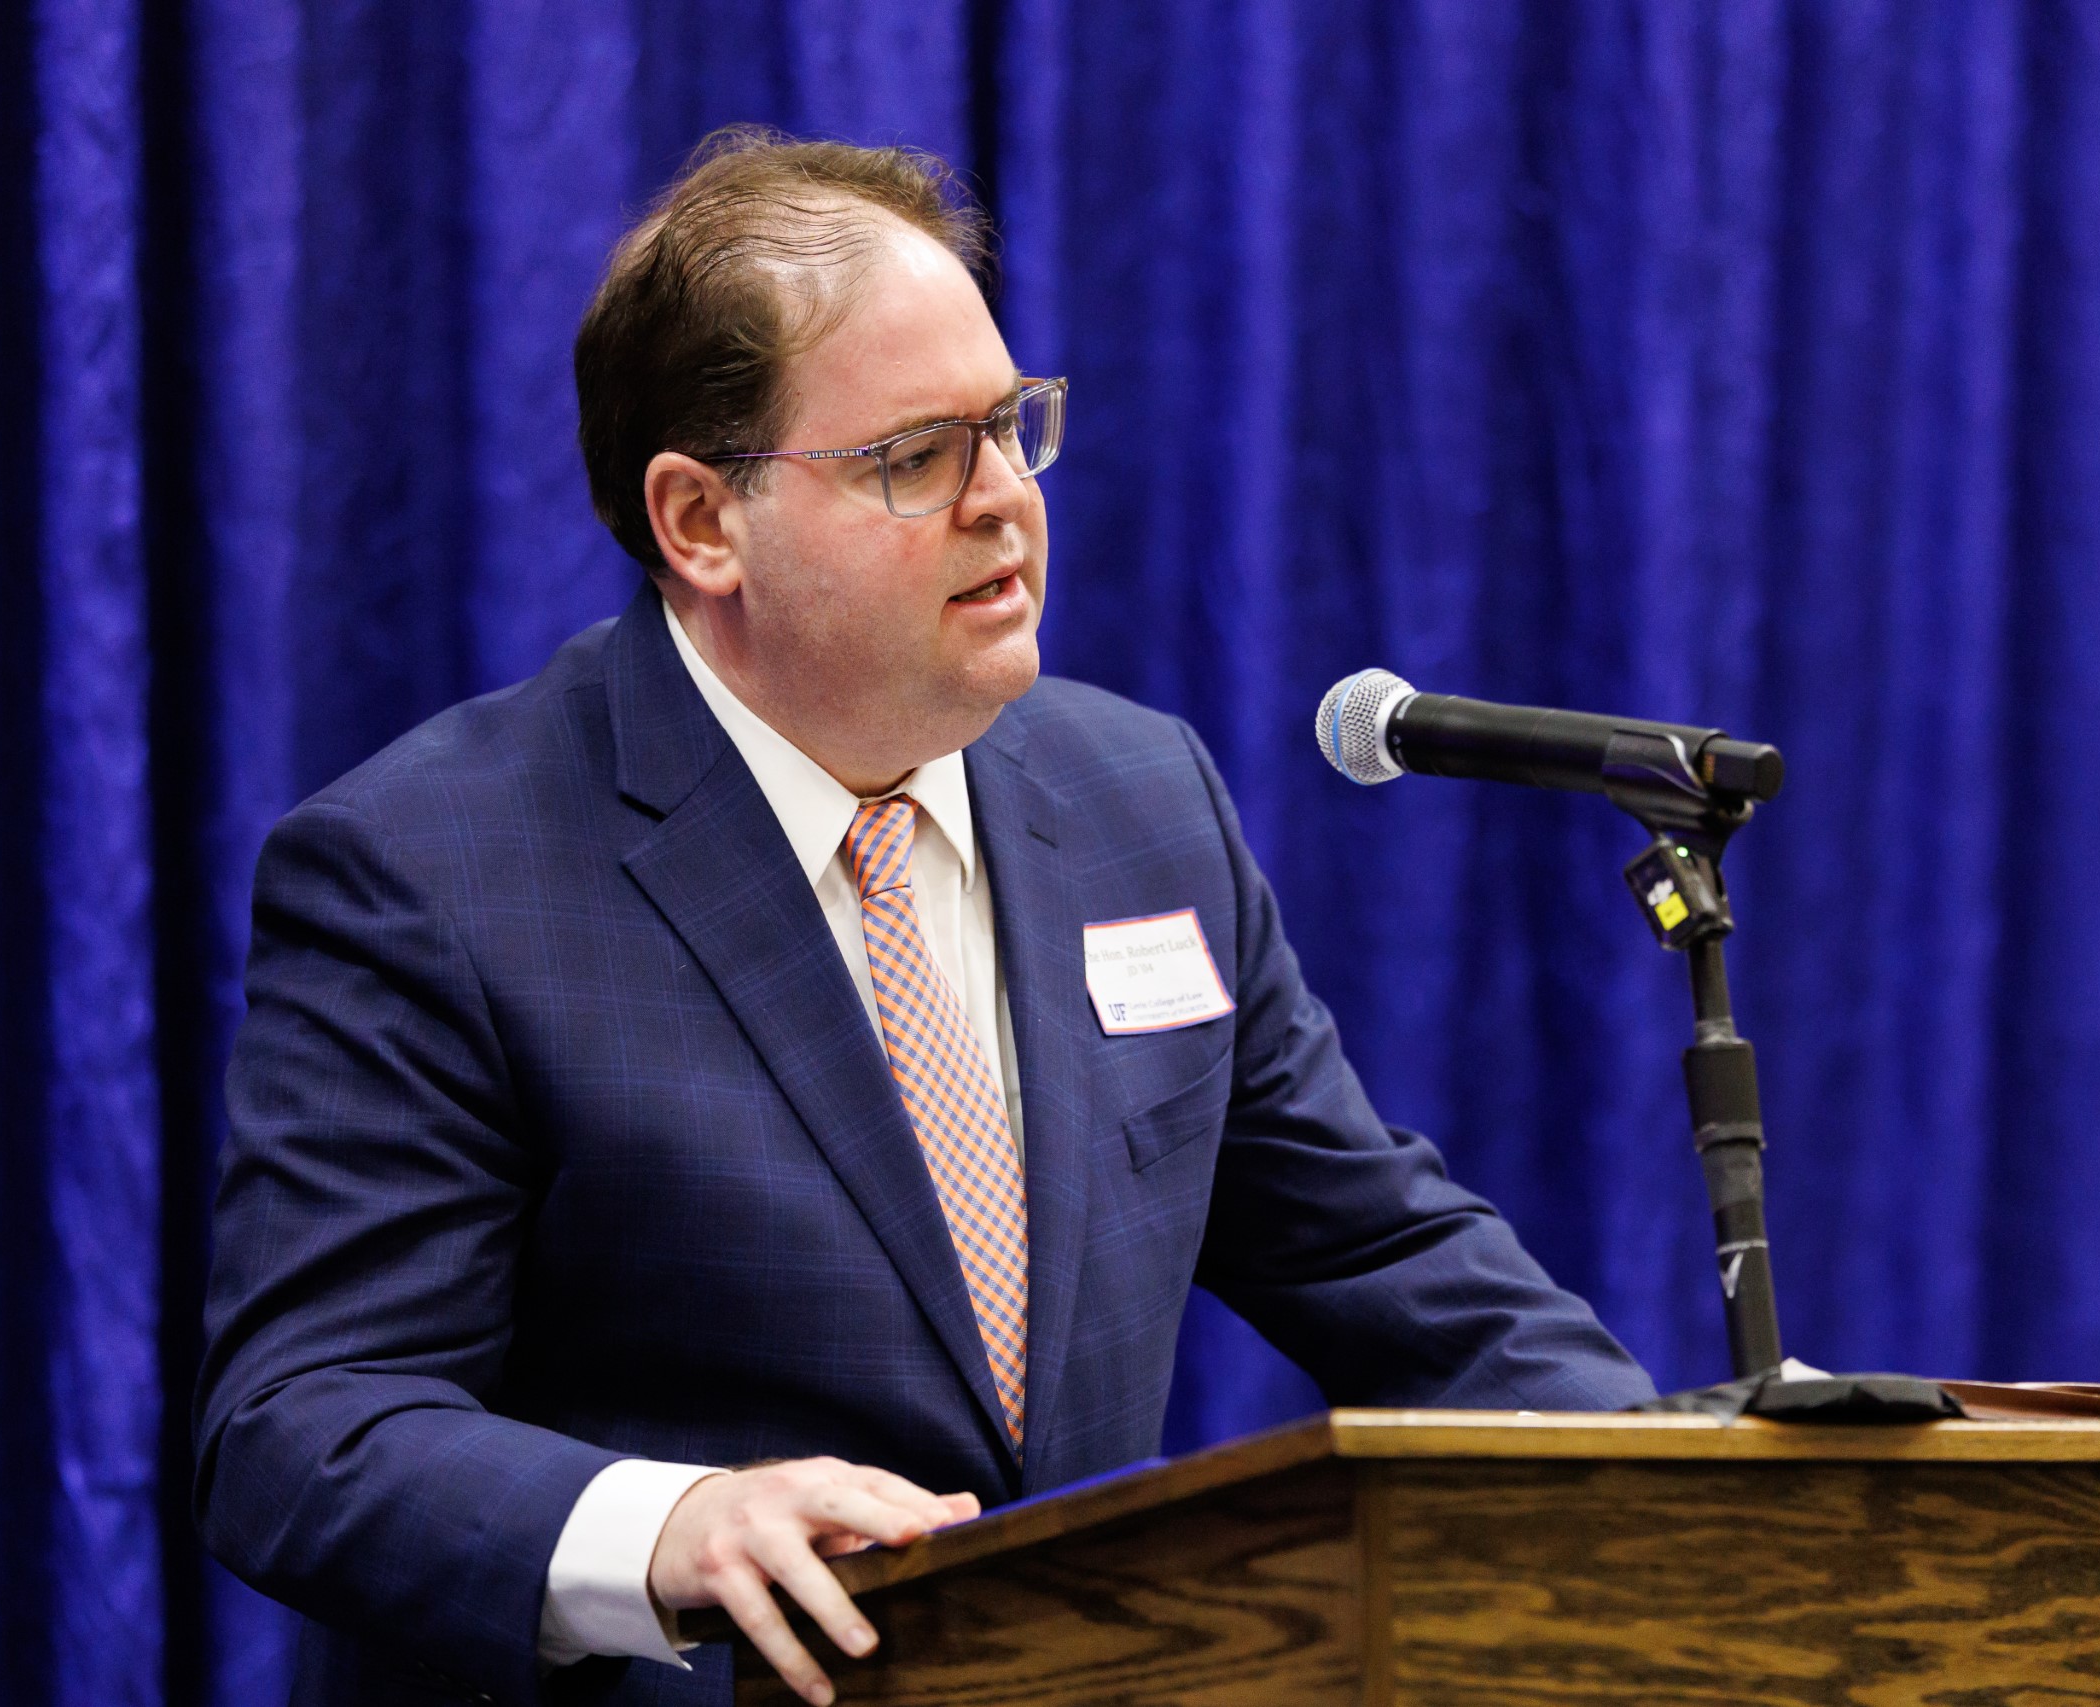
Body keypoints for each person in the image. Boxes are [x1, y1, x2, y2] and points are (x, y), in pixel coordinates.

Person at [194, 128, 1654, 1707]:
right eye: (915, 456)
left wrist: (1677, 1498)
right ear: (701, 522)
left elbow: (1387, 1259)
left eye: (1015, 427)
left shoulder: (1135, 800)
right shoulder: (430, 872)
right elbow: (303, 1429)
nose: (1006, 501)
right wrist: (674, 1521)